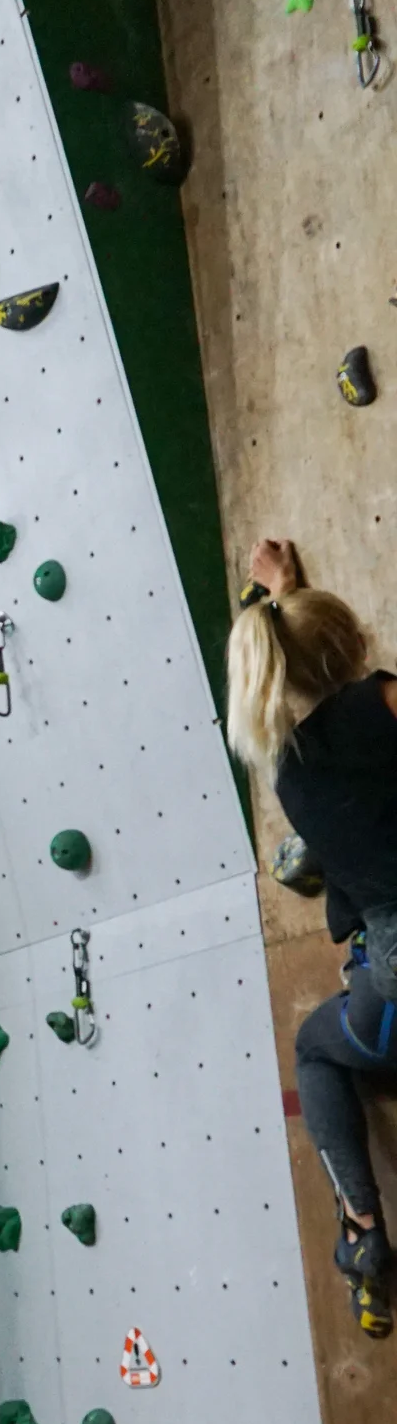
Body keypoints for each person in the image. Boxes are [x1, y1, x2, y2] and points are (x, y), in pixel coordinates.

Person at [229, 538, 397, 1335]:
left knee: (317, 1048)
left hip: (391, 976)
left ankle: (364, 1233)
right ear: (356, 643)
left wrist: (287, 601)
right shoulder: (382, 703)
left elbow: (319, 681)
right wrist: (298, 596)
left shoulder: (290, 775)